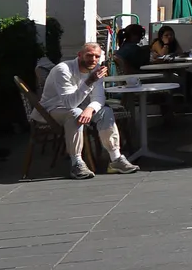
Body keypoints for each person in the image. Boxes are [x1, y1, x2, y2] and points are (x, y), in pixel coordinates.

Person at [40, 43, 138, 178]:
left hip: (81, 106)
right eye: (89, 55)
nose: (93, 59)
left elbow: (99, 98)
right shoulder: (63, 70)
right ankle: (77, 163)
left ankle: (115, 159)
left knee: (106, 112)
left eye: (96, 56)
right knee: (75, 113)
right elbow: (69, 103)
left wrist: (90, 109)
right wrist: (90, 81)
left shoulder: (96, 69)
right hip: (53, 109)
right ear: (79, 55)